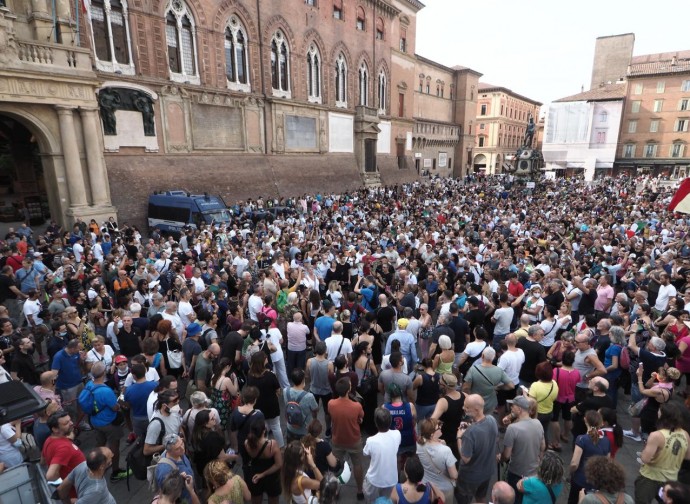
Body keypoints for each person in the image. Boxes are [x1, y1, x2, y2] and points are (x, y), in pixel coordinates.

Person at [636, 403, 690, 504]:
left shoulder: (656, 435)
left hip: (651, 477)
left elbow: (645, 459)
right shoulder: (685, 434)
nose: (658, 412)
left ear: (663, 415)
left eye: (659, 411)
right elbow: (687, 457)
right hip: (671, 479)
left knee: (642, 500)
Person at [86, 361, 130, 483]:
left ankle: (94, 465)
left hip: (95, 421)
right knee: (114, 446)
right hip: (108, 423)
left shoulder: (89, 385)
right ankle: (115, 471)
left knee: (100, 443)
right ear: (104, 373)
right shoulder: (105, 391)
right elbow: (115, 407)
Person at [455, 394, 500, 504]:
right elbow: (496, 438)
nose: (463, 408)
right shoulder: (491, 419)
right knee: (481, 498)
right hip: (487, 472)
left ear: (476, 409)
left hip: (470, 477)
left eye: (466, 407)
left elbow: (466, 459)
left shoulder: (470, 433)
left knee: (464, 499)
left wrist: (459, 437)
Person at [501, 396, 545, 502]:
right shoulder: (538, 423)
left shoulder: (512, 429)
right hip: (534, 471)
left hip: (517, 472)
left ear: (520, 409)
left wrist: (500, 458)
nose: (511, 407)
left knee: (516, 498)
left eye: (513, 406)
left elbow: (506, 455)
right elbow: (543, 446)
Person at [328, 377, 365, 499]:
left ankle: (336, 491)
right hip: (354, 440)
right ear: (349, 389)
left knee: (336, 466)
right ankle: (359, 491)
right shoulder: (356, 406)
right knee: (357, 464)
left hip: (338, 440)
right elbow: (361, 418)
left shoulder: (331, 404)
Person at [567, 410, 611, 504]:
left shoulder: (582, 439)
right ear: (601, 423)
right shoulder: (606, 441)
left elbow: (574, 463)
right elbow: (608, 462)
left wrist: (570, 473)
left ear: (585, 420)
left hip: (580, 480)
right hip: (596, 482)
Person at [246, 351, 284, 448]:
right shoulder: (270, 375)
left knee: (264, 427)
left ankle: (265, 446)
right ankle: (280, 447)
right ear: (262, 361)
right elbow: (278, 390)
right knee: (276, 427)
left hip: (258, 405)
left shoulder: (250, 375)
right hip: (271, 404)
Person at [416, 418, 457, 504]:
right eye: (438, 427)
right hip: (444, 489)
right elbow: (454, 475)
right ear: (431, 435)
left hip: (426, 485)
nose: (441, 426)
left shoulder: (419, 444)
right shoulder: (445, 451)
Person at [463, 347, 514, 415]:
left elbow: (466, 387)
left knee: (474, 420)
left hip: (475, 403)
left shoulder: (473, 370)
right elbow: (511, 386)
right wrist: (498, 387)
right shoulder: (499, 370)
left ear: (482, 356)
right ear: (494, 357)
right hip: (490, 404)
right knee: (486, 420)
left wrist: (468, 399)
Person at [243, 417, 283, 504]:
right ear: (264, 431)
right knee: (273, 500)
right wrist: (263, 474)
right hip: (271, 477)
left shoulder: (247, 443)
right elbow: (278, 464)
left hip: (254, 474)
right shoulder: (272, 445)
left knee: (256, 499)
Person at [191, 409, 236, 483]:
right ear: (205, 424)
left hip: (202, 467)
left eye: (214, 416)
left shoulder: (196, 434)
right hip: (213, 469)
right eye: (212, 418)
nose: (215, 418)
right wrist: (236, 457)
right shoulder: (213, 437)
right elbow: (223, 457)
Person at [154, 433, 198, 504]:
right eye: (177, 448)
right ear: (169, 451)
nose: (182, 448)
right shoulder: (165, 471)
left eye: (182, 443)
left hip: (191, 493)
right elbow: (168, 497)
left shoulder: (180, 453)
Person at [431, 373, 465, 461]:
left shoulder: (443, 401)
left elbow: (432, 420)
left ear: (444, 386)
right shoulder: (465, 395)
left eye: (439, 383)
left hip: (445, 438)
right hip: (459, 435)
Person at [284, 367, 319, 443]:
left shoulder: (285, 391)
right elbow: (315, 409)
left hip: (290, 427)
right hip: (304, 430)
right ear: (303, 380)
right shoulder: (309, 396)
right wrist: (315, 419)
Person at [528, 361, 559, 446]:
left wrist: (525, 395)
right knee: (544, 431)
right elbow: (555, 398)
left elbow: (531, 403)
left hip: (537, 414)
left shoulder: (535, 385)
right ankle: (544, 447)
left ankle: (534, 448)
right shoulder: (554, 383)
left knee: (533, 432)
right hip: (549, 412)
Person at [383, 383, 416, 462]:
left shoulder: (385, 407)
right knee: (411, 461)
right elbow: (414, 422)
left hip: (393, 441)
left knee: (396, 461)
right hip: (409, 438)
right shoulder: (410, 406)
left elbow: (384, 426)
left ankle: (397, 474)